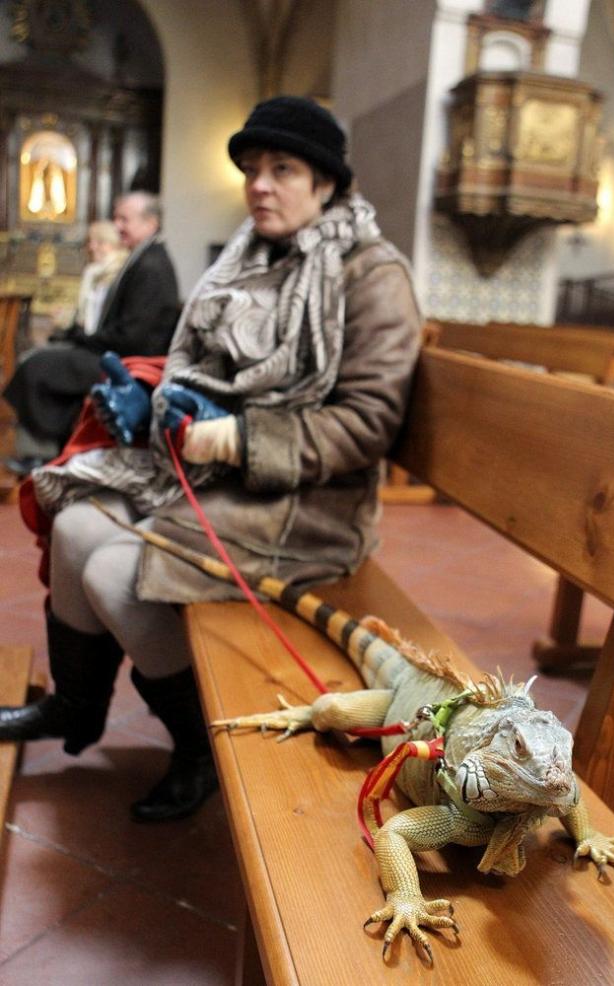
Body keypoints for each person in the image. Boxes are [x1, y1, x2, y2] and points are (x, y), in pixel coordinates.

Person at [0, 97, 423, 824]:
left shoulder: (370, 274)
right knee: (72, 524)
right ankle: (76, 705)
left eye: (282, 169)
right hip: (218, 479)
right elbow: (206, 376)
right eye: (252, 169)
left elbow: (367, 425)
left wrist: (233, 438)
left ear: (325, 183)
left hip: (309, 506)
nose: (260, 185)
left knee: (112, 571)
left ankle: (200, 745)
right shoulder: (247, 260)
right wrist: (153, 401)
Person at [3, 192, 180, 473]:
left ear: (150, 223)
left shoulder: (151, 265)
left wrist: (82, 338)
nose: (117, 225)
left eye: (124, 219)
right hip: (117, 353)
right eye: (116, 218)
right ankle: (51, 447)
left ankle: (40, 454)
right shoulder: (144, 257)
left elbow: (133, 338)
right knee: (41, 359)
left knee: (36, 367)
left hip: (130, 364)